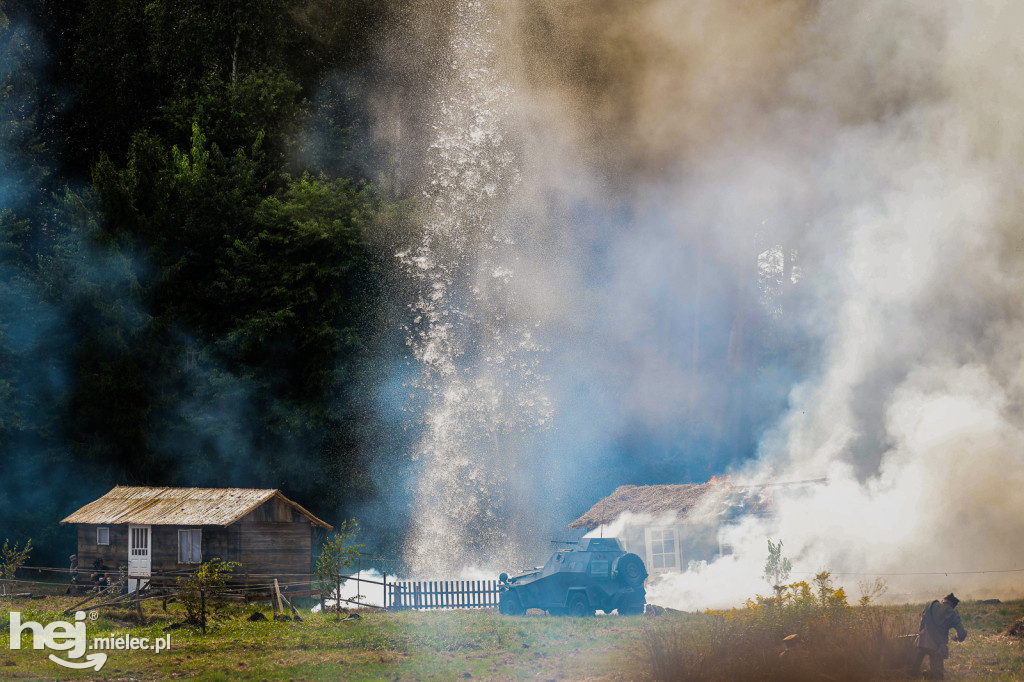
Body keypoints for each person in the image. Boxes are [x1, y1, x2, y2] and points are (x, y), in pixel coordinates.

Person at [912, 593, 967, 680]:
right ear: (953, 604)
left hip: (921, 641)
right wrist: (957, 638)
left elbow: (921, 625)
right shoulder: (952, 613)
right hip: (936, 646)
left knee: (912, 671)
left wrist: (922, 634)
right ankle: (926, 674)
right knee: (938, 677)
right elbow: (962, 633)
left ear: (944, 600)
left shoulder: (930, 605)